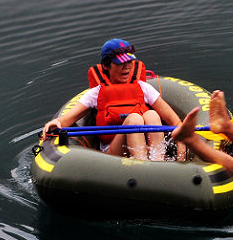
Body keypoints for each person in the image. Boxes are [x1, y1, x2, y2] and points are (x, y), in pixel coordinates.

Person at [42, 39, 184, 161]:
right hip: (112, 153)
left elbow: (175, 122)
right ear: (106, 66)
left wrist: (182, 149)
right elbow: (67, 119)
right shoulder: (95, 93)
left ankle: (158, 162)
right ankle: (143, 166)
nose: (127, 67)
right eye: (120, 63)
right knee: (134, 119)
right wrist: (55, 123)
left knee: (151, 115)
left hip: (146, 148)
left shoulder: (143, 87)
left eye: (129, 62)